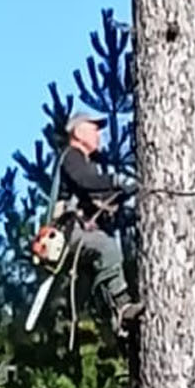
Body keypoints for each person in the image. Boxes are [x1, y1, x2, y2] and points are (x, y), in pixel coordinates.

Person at [57, 110, 141, 334]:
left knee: (106, 250)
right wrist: (116, 181)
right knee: (106, 246)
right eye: (94, 129)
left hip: (78, 232)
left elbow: (98, 197)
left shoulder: (86, 162)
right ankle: (122, 307)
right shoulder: (71, 156)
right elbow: (87, 183)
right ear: (77, 131)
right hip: (68, 232)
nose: (98, 136)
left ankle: (110, 313)